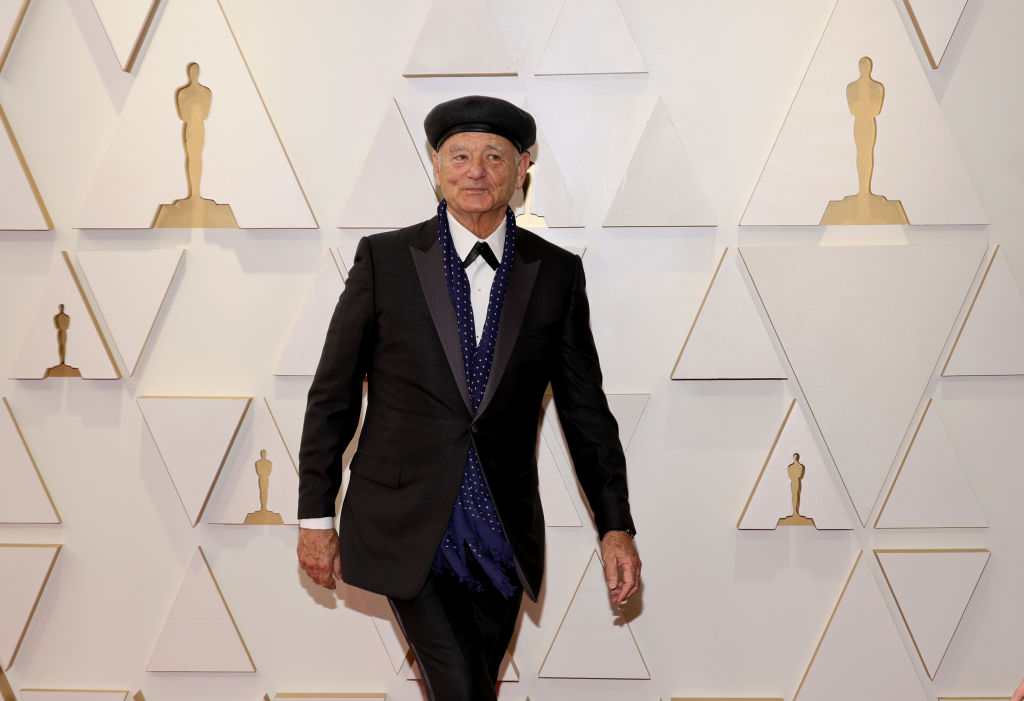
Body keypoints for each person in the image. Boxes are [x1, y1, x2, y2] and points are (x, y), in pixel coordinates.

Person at [296, 95, 641, 701]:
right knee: (463, 688)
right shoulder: (384, 260)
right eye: (459, 155)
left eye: (493, 156)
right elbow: (333, 394)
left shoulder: (556, 273)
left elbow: (587, 411)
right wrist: (316, 516)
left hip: (502, 534)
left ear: (523, 166)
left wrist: (616, 526)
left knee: (470, 685)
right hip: (406, 526)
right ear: (436, 166)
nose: (475, 171)